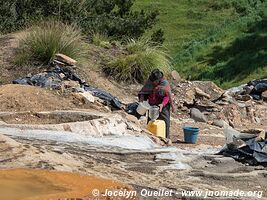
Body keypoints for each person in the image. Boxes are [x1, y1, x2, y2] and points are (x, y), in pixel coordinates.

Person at [138, 69, 174, 139]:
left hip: (163, 105)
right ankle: (151, 139)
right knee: (151, 122)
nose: (153, 83)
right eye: (152, 81)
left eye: (155, 81)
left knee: (165, 122)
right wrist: (141, 102)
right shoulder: (150, 81)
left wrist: (162, 104)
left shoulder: (164, 83)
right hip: (151, 106)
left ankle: (166, 139)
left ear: (159, 79)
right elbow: (143, 92)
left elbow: (167, 96)